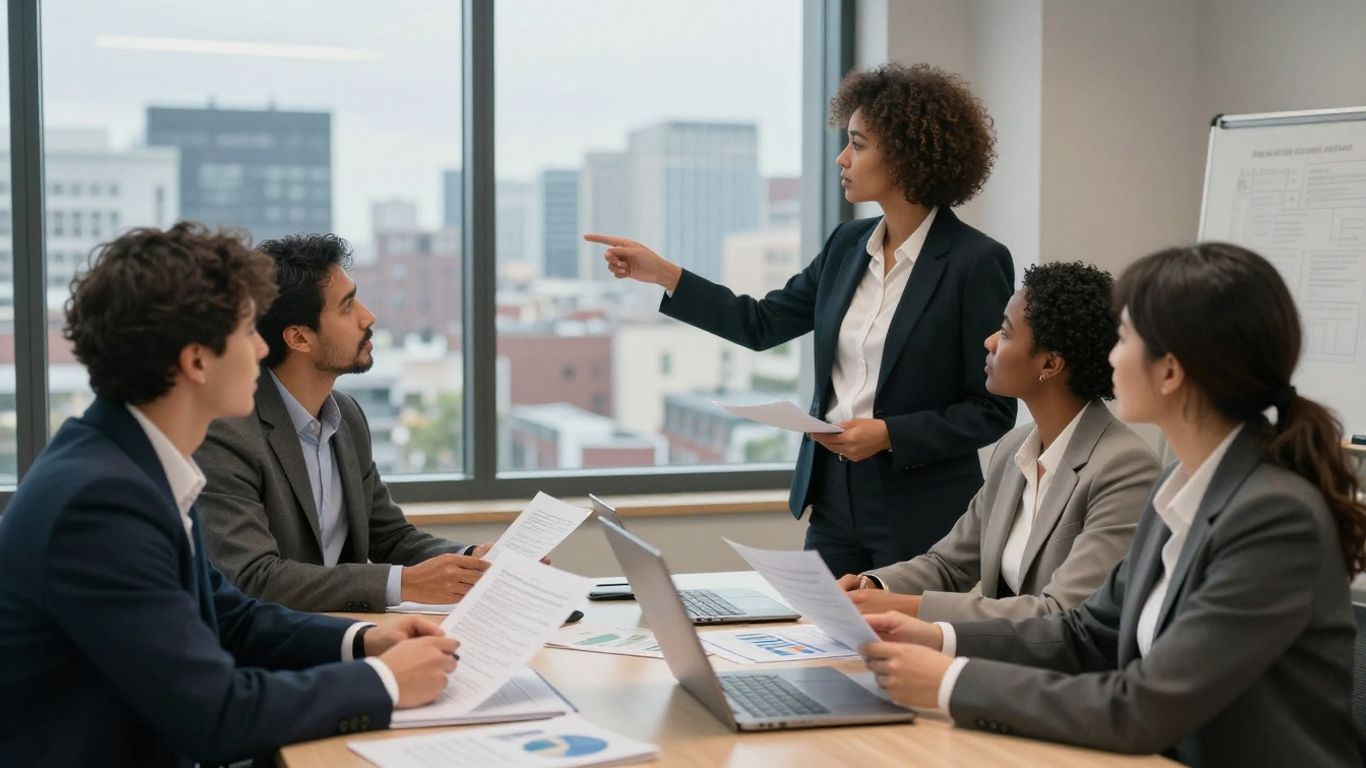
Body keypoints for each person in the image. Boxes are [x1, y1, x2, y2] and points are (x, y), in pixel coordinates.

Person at [858, 243, 1365, 765]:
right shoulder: (1181, 488)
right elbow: (1084, 633)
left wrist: (951, 682)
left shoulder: (1274, 518)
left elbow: (1143, 707)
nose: (1109, 355)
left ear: (1169, 372)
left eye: (1123, 338)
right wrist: (935, 636)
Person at [0, 224, 460, 767]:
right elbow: (215, 715)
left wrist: (364, 642)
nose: (263, 347)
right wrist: (383, 683)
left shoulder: (135, 461)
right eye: (247, 332)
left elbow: (233, 618)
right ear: (197, 361)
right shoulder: (100, 503)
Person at [585, 62, 1016, 574]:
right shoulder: (846, 246)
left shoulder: (974, 262)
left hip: (922, 508)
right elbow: (761, 323)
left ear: (905, 156)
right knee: (820, 638)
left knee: (895, 648)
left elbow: (992, 410)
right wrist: (665, 275)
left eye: (857, 144)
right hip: (834, 496)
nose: (843, 158)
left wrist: (888, 433)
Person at [837, 262, 1159, 622]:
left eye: (1005, 333)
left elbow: (1061, 612)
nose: (989, 341)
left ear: (1050, 364)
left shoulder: (1124, 467)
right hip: (1002, 662)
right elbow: (948, 565)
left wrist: (906, 607)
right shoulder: (1015, 449)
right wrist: (873, 586)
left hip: (1060, 672)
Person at [196, 233, 491, 613]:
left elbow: (390, 535)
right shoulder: (227, 432)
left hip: (341, 633)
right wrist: (406, 584)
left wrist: (475, 561)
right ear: (299, 337)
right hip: (270, 653)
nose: (368, 317)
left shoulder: (346, 415)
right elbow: (253, 577)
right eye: (347, 306)